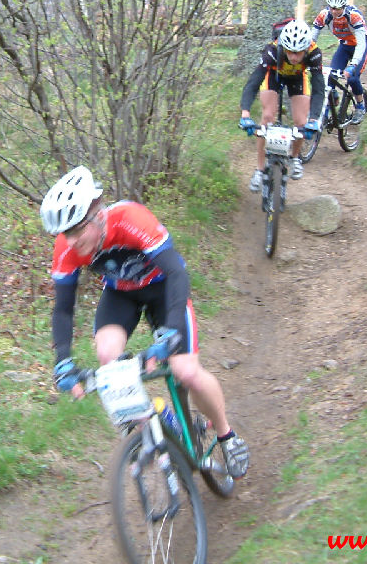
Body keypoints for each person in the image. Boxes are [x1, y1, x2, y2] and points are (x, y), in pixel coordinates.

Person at [39, 165, 250, 479]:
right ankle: (158, 419)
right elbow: (63, 310)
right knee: (108, 357)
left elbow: (178, 272)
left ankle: (226, 434)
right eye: (64, 234)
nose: (70, 241)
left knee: (185, 370)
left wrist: (171, 332)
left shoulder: (131, 220)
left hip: (164, 289)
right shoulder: (66, 248)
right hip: (121, 294)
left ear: (97, 214)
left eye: (76, 230)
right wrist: (62, 361)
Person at [239, 19, 325, 192]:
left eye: (298, 53)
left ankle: (294, 158)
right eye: (290, 52)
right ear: (283, 47)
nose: (293, 57)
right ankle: (260, 169)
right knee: (268, 116)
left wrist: (314, 119)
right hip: (274, 75)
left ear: (306, 49)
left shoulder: (314, 52)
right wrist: (245, 114)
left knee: (302, 122)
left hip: (297, 78)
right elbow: (253, 83)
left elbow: (318, 89)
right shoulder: (271, 51)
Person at [310, 0, 367, 124]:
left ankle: (360, 106)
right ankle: (326, 111)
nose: (334, 11)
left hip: (361, 46)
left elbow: (362, 43)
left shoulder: (354, 16)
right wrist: (306, 55)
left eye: (337, 8)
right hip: (344, 45)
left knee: (352, 78)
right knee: (330, 77)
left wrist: (354, 64)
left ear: (344, 5)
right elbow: (312, 38)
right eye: (331, 7)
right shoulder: (325, 15)